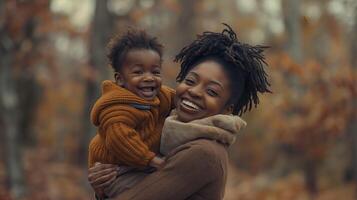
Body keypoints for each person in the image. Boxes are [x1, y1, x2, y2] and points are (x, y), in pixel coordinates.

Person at [88, 24, 271, 200]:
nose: (194, 91)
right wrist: (104, 182)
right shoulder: (171, 132)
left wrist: (104, 192)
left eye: (212, 92)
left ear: (227, 109)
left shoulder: (204, 152)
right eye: (190, 81)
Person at [88, 29, 176, 174]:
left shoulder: (160, 95)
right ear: (120, 79)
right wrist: (153, 161)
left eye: (155, 72)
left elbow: (180, 98)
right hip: (114, 168)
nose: (149, 78)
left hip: (139, 162)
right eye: (138, 72)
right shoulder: (117, 108)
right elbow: (120, 140)